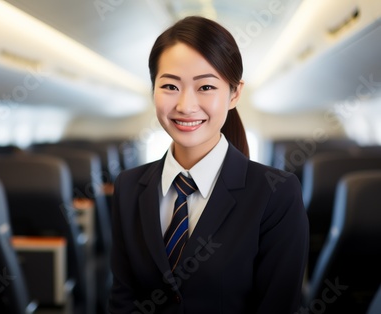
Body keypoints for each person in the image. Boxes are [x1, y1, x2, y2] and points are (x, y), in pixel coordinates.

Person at [108, 16, 309, 313]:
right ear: (153, 90)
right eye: (170, 86)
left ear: (234, 93)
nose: (186, 106)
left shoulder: (275, 193)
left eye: (205, 87)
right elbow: (123, 300)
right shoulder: (128, 186)